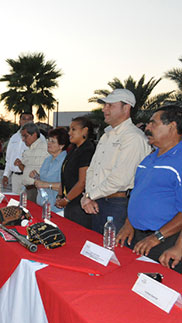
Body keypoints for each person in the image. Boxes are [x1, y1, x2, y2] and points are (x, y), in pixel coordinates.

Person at [111, 105, 182, 273]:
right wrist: (129, 224)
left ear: (172, 126)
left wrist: (158, 238)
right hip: (139, 238)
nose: (147, 128)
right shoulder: (149, 158)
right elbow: (138, 195)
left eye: (153, 123)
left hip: (164, 243)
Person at [81, 89, 151, 233]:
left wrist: (90, 196)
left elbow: (120, 178)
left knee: (115, 252)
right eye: (105, 105)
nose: (105, 109)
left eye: (110, 105)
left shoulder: (133, 138)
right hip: (97, 202)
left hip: (118, 204)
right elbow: (93, 169)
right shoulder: (107, 135)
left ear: (126, 108)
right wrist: (89, 196)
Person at [55, 117, 96, 228]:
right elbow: (65, 174)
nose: (69, 133)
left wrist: (67, 199)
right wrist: (60, 196)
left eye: (73, 129)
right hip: (69, 203)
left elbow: (82, 182)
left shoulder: (87, 150)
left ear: (85, 131)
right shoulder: (73, 149)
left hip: (79, 205)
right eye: (70, 129)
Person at [29, 128, 68, 214]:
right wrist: (36, 176)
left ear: (61, 145)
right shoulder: (47, 159)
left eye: (53, 141)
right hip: (42, 207)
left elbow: (67, 186)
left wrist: (46, 185)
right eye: (48, 140)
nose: (48, 143)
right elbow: (45, 179)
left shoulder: (66, 162)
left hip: (56, 210)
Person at [3, 113, 44, 193]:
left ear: (33, 121)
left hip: (30, 178)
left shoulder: (39, 138)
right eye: (24, 119)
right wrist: (6, 175)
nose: (26, 121)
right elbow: (9, 158)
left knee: (28, 203)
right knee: (15, 202)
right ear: (20, 121)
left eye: (29, 119)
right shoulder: (14, 138)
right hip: (15, 177)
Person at [15, 122, 49, 203]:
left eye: (25, 136)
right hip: (27, 188)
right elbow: (26, 170)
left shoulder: (46, 147)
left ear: (34, 134)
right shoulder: (29, 149)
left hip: (37, 190)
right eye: (22, 136)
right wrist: (20, 165)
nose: (23, 139)